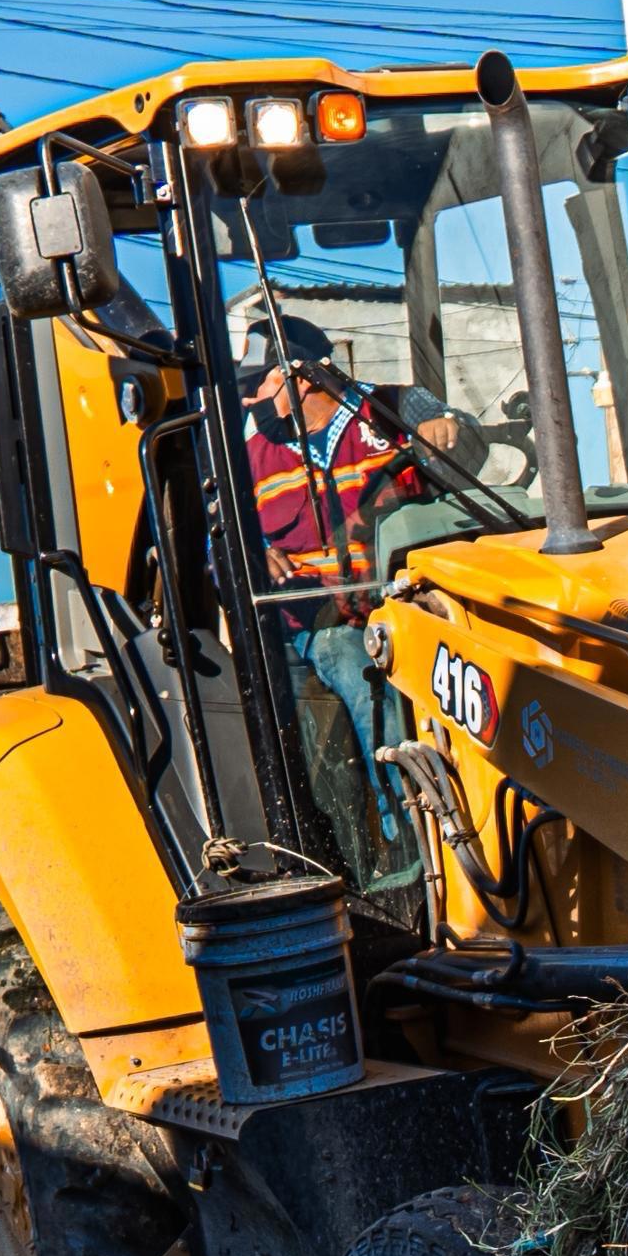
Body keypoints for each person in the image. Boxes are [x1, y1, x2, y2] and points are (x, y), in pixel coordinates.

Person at [241, 316, 464, 886]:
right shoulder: (252, 456)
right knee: (363, 673)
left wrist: (446, 427)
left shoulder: (392, 409)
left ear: (300, 377)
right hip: (321, 622)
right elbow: (216, 539)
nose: (247, 399)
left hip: (414, 603)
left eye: (257, 384)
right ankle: (408, 845)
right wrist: (253, 551)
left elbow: (457, 432)